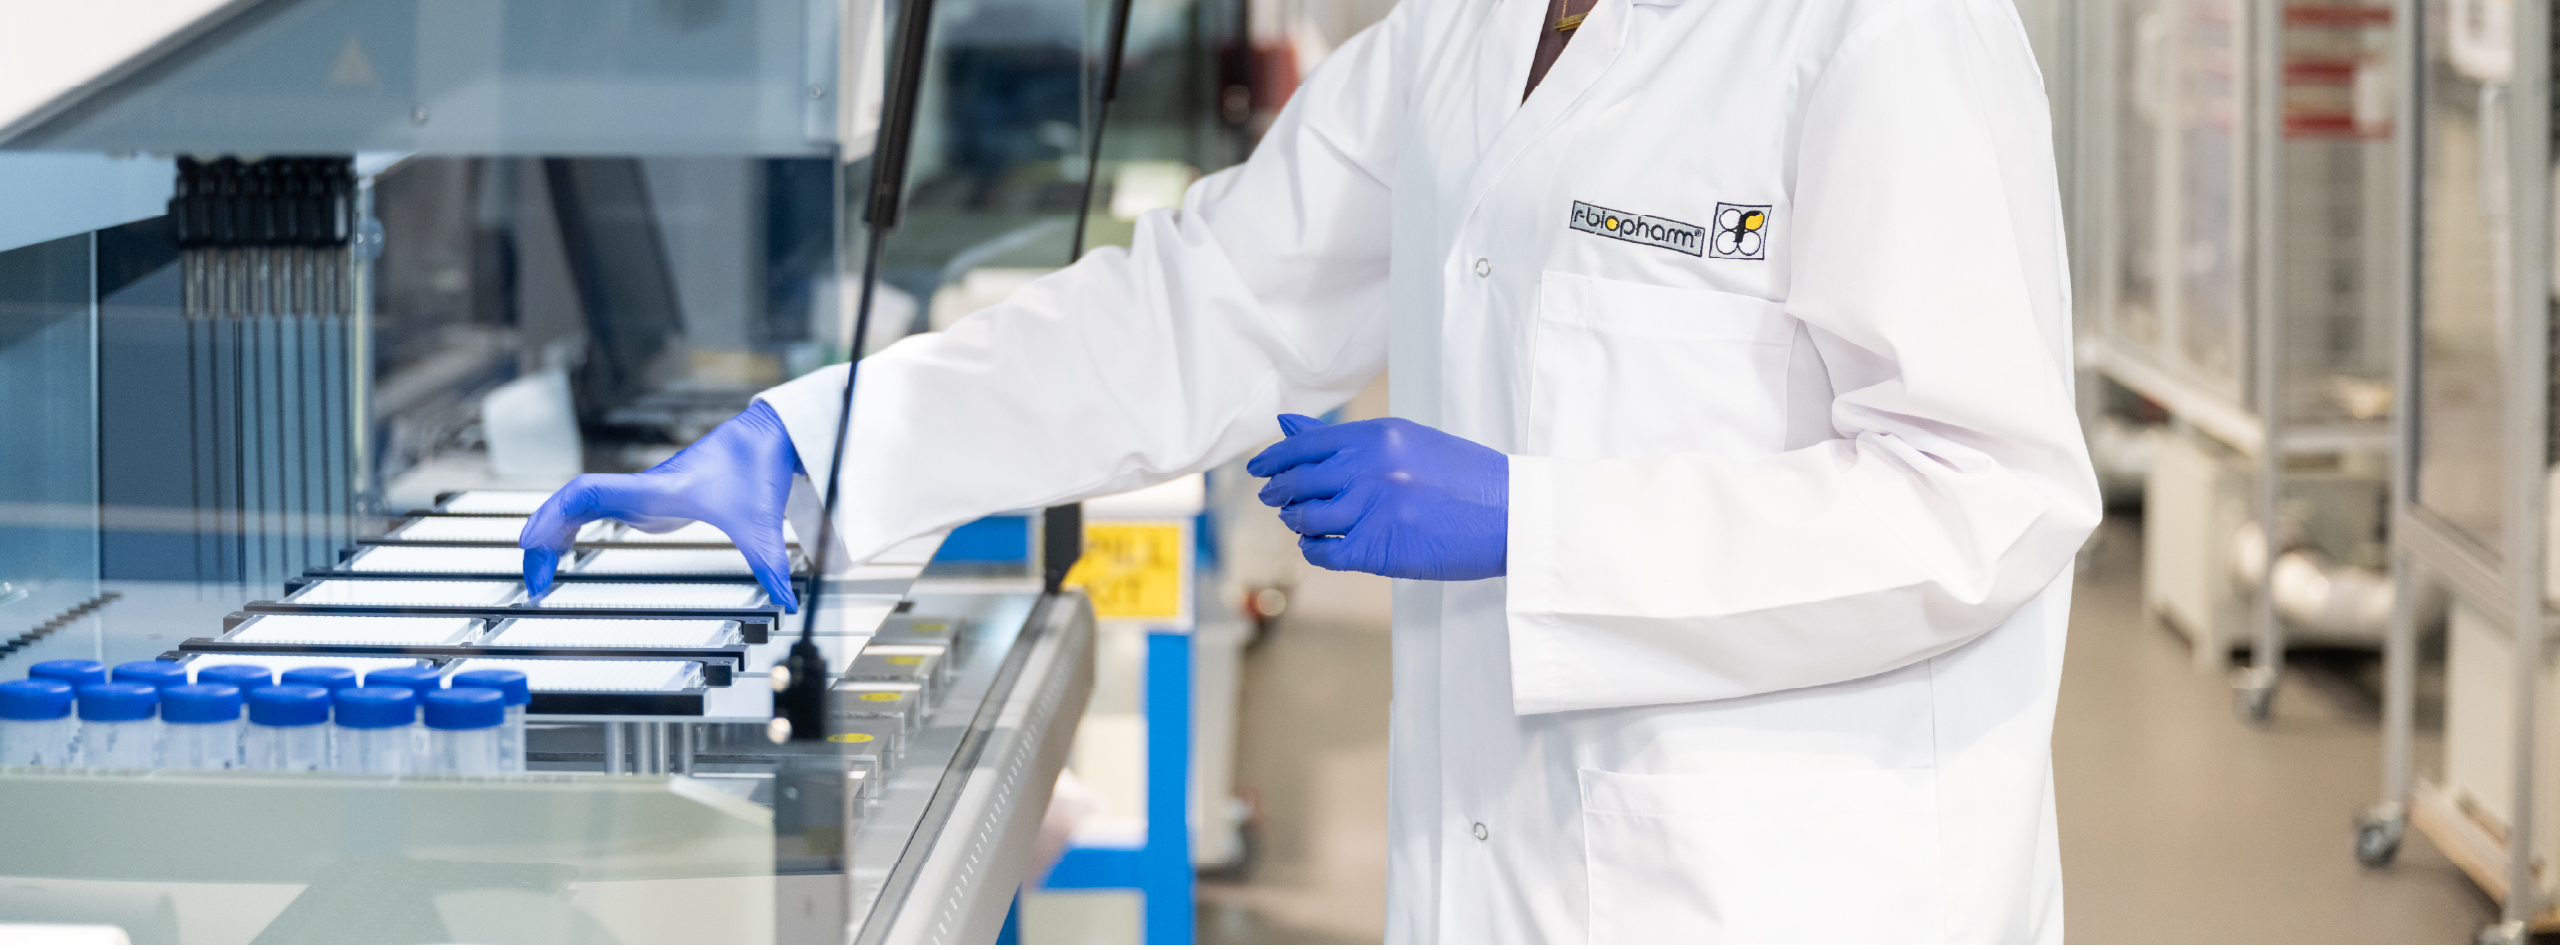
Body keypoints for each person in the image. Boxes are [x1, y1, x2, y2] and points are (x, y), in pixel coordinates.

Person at [521, 0, 2100, 941]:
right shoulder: (1462, 32)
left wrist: (1535, 519)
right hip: (1501, 868)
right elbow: (1201, 310)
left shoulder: (1889, 29)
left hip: (1788, 894)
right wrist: (815, 436)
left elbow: (1987, 491)